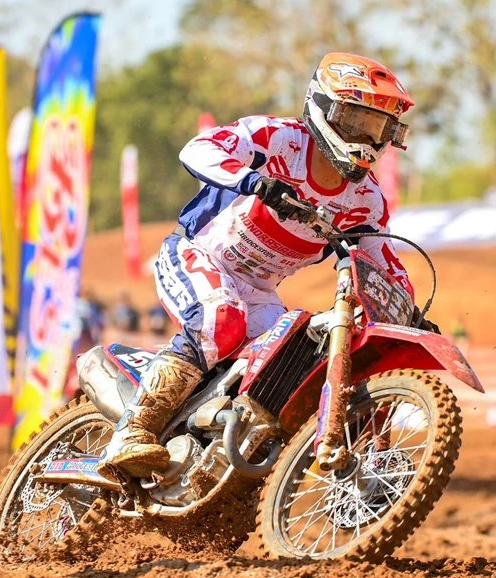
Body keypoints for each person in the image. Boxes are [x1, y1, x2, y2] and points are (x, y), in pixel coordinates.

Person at [96, 53, 427, 481]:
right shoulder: (277, 138)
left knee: (293, 366)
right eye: (355, 121)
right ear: (323, 107)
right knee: (220, 320)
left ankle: (222, 460)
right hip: (198, 255)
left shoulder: (365, 200)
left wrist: (410, 313)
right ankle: (133, 431)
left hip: (259, 292)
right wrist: (252, 180)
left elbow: (383, 263)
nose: (364, 138)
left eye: (376, 127)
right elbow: (198, 148)